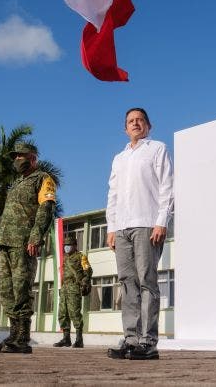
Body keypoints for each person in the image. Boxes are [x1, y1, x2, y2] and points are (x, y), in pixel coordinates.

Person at [105, 107, 173, 361]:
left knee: (147, 281)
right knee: (127, 283)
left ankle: (148, 342)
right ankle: (131, 339)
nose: (135, 124)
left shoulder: (157, 149)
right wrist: (111, 227)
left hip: (147, 224)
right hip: (122, 228)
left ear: (148, 126)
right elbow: (112, 195)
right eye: (131, 121)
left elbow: (167, 186)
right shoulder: (118, 158)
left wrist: (161, 221)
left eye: (140, 120)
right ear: (125, 128)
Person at [0, 142, 57, 354]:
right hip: (5, 242)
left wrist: (35, 237)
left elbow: (46, 209)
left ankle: (23, 338)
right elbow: (7, 213)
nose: (17, 159)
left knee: (21, 289)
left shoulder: (43, 179)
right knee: (6, 292)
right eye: (15, 156)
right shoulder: (16, 183)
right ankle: (13, 334)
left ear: (33, 158)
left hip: (23, 243)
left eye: (21, 156)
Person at [53, 234, 92, 348]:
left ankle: (79, 340)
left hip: (74, 288)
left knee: (74, 313)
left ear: (75, 246)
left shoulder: (81, 257)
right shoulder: (64, 258)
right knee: (62, 313)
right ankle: (66, 339)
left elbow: (88, 271)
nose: (66, 247)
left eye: (69, 245)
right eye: (65, 245)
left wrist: (84, 283)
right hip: (65, 288)